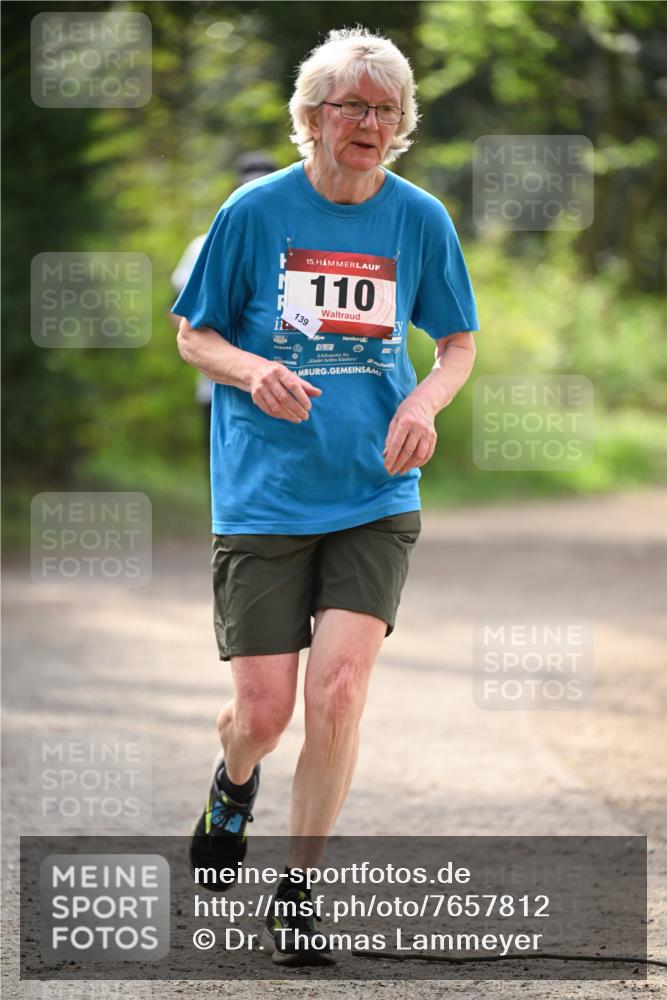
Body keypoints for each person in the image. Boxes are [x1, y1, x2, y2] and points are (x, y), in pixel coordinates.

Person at [173, 27, 479, 967]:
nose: (371, 125)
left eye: (387, 111)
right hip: (266, 495)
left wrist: (426, 401)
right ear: (311, 118)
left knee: (339, 694)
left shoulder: (419, 218)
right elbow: (195, 335)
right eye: (353, 107)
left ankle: (297, 892)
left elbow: (457, 341)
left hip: (374, 490)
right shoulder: (255, 212)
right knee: (263, 715)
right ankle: (232, 785)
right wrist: (252, 367)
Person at [170, 153, 277, 456]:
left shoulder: (295, 245)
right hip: (218, 388)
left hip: (286, 385)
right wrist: (218, 347)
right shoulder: (204, 245)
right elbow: (178, 312)